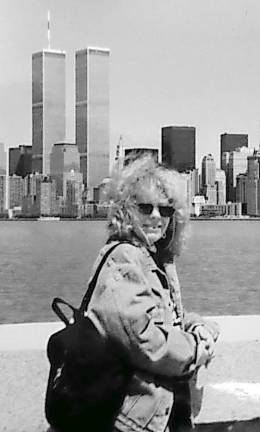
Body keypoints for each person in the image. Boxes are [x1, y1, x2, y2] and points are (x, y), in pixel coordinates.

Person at [85, 155, 219, 432]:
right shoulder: (124, 259)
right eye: (145, 208)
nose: (157, 216)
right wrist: (195, 349)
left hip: (162, 416)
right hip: (129, 422)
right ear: (125, 210)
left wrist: (200, 326)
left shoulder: (155, 259)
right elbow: (144, 341)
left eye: (166, 210)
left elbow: (166, 319)